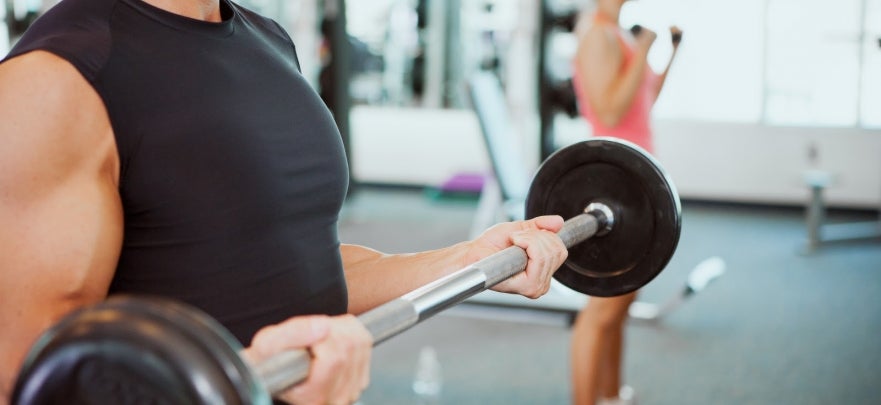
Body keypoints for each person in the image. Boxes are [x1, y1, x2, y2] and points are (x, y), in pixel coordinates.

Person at [0, 1, 571, 404]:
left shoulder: (266, 41)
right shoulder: (59, 79)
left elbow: (301, 265)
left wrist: (469, 258)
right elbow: (27, 375)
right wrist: (242, 376)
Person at [569, 1, 682, 404]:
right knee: (601, 310)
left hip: (638, 174)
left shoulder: (617, 34)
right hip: (614, 179)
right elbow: (610, 110)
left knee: (621, 302)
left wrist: (668, 53)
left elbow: (642, 101)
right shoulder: (598, 35)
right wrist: (646, 49)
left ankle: (611, 395)